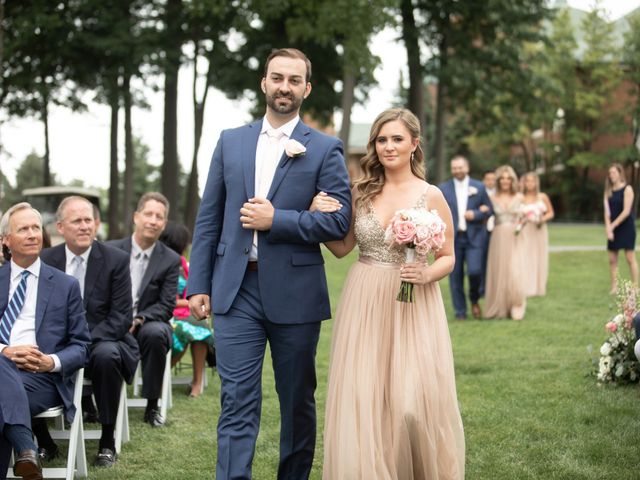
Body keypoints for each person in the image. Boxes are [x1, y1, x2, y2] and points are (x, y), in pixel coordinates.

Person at [187, 48, 352, 479]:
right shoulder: (230, 141)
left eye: (294, 80)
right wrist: (198, 283)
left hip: (295, 294)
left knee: (297, 399)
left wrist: (276, 220)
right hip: (235, 290)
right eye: (277, 78)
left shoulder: (324, 148)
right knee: (237, 398)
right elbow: (209, 217)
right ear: (264, 83)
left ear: (306, 89)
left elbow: (338, 220)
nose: (284, 86)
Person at [311, 108, 464, 478]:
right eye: (382, 140)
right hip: (365, 298)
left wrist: (426, 274)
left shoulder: (431, 195)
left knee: (410, 403)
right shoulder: (360, 192)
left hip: (414, 303)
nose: (388, 147)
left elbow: (448, 257)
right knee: (366, 397)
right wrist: (315, 213)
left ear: (414, 144)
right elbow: (342, 247)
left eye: (397, 139)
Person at [40, 196, 139, 467]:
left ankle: (107, 441)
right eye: (76, 221)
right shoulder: (46, 260)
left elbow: (121, 318)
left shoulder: (115, 260)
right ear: (60, 227)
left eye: (88, 220)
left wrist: (80, 341)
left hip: (103, 339)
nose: (84, 226)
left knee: (107, 356)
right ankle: (43, 441)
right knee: (29, 357)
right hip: (57, 343)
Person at [0, 203, 90, 480]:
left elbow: (82, 346)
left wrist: (50, 362)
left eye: (35, 228)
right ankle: (27, 449)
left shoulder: (65, 285)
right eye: (23, 229)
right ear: (5, 240)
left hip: (41, 379)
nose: (32, 234)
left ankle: (28, 451)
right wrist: (6, 351)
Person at [108, 192, 180, 428]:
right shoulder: (110, 250)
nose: (153, 220)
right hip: (112, 321)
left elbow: (167, 304)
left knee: (156, 333)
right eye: (148, 214)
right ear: (136, 217)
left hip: (147, 323)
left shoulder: (170, 259)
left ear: (164, 224)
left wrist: (138, 319)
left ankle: (152, 406)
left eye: (159, 217)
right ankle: (89, 403)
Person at [158, 221, 214, 398]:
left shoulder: (185, 265)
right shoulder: (160, 264)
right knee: (190, 328)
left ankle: (197, 382)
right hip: (165, 315)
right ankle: (159, 378)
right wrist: (190, 302)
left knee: (198, 327)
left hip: (185, 315)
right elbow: (167, 300)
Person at [439, 155, 493, 319]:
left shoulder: (479, 187)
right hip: (452, 239)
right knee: (455, 277)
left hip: (474, 237)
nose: (457, 170)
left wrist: (475, 214)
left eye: (460, 167)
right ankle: (460, 311)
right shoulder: (443, 188)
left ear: (467, 168)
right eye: (454, 167)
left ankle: (475, 299)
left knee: (475, 271)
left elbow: (490, 210)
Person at [484, 165, 527, 320]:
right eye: (502, 178)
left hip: (515, 237)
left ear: (513, 180)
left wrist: (523, 221)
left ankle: (516, 307)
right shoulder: (491, 198)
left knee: (515, 271)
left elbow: (525, 218)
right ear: (498, 180)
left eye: (508, 178)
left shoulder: (520, 197)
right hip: (498, 236)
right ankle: (499, 308)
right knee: (500, 271)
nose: (505, 181)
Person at [604, 163, 638, 294]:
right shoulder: (608, 191)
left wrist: (612, 225)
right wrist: (608, 228)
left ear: (620, 173)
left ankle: (635, 287)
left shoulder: (627, 189)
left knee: (630, 258)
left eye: (613, 172)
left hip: (626, 227)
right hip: (613, 228)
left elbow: (626, 211)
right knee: (612, 260)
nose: (611, 175)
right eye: (610, 173)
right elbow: (606, 212)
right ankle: (614, 287)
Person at [520, 172, 554, 297]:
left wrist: (541, 219)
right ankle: (525, 285)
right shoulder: (520, 197)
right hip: (525, 229)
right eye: (527, 181)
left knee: (538, 255)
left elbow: (550, 213)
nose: (530, 184)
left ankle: (538, 287)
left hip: (539, 230)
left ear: (536, 183)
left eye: (532, 181)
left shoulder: (542, 197)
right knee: (524, 255)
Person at [480, 169, 497, 297]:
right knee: (482, 260)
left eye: (493, 179)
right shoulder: (480, 193)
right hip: (484, 231)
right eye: (488, 179)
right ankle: (482, 288)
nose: (491, 182)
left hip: (498, 231)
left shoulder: (500, 194)